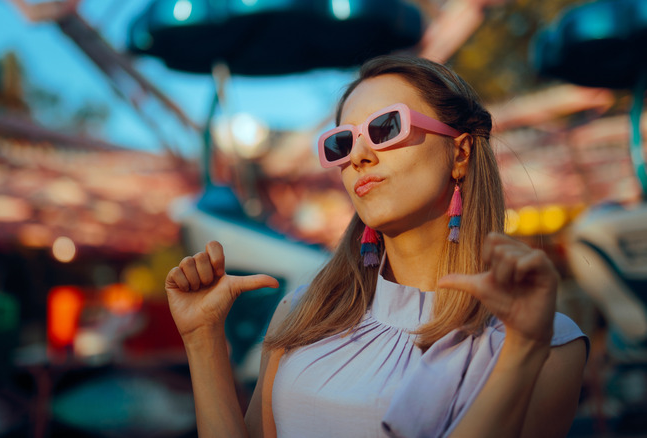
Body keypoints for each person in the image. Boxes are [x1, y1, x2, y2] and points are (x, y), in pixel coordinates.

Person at [165, 55, 588, 438]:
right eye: (342, 143)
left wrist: (522, 349)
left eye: (386, 128)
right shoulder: (302, 313)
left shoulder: (545, 343)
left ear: (459, 152)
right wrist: (203, 339)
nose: (359, 157)